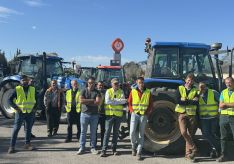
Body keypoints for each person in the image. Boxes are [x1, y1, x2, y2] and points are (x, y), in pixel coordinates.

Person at [8, 75, 37, 154]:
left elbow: (36, 99)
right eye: (23, 80)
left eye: (26, 80)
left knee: (28, 129)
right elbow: (9, 100)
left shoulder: (32, 89)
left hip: (30, 112)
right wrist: (16, 108)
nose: (25, 81)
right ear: (20, 81)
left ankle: (27, 144)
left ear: (28, 80)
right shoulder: (17, 89)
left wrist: (35, 108)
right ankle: (12, 146)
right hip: (20, 113)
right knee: (16, 129)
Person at [100, 78, 127, 157]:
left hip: (118, 116)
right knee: (107, 132)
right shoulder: (108, 91)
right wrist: (118, 101)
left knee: (115, 133)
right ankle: (104, 150)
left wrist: (114, 100)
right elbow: (107, 101)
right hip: (110, 115)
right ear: (111, 84)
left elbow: (123, 101)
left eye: (117, 83)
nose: (116, 85)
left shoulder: (121, 91)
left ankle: (114, 149)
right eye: (115, 84)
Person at [175, 73, 199, 160]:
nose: (189, 82)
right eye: (188, 80)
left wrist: (185, 100)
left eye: (191, 80)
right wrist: (190, 101)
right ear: (185, 80)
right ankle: (194, 148)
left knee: (190, 134)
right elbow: (178, 101)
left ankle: (188, 155)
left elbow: (196, 102)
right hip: (182, 114)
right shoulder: (180, 88)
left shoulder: (195, 90)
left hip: (192, 114)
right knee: (184, 132)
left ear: (193, 81)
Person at [128, 76, 152, 160]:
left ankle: (139, 152)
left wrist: (147, 112)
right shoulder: (133, 91)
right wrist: (131, 111)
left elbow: (151, 104)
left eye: (142, 82)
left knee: (141, 134)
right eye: (139, 83)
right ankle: (133, 146)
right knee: (132, 133)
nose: (141, 84)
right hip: (135, 114)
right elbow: (129, 102)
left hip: (143, 115)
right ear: (137, 83)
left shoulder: (148, 92)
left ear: (143, 83)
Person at [77, 77, 101, 155]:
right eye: (90, 82)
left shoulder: (97, 92)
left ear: (94, 83)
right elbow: (81, 101)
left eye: (93, 83)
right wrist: (92, 100)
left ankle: (93, 148)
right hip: (84, 114)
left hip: (94, 115)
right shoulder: (83, 90)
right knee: (83, 132)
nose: (91, 84)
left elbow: (97, 102)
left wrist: (86, 101)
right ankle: (82, 147)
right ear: (87, 83)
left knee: (93, 133)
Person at [198, 82, 220, 158]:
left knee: (213, 134)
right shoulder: (197, 94)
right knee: (206, 134)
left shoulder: (213, 92)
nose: (202, 88)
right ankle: (218, 147)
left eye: (203, 86)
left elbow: (220, 102)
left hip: (213, 117)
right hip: (204, 118)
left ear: (206, 86)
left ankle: (214, 150)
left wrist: (220, 113)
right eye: (200, 87)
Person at [217, 77, 234, 162]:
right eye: (227, 83)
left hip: (233, 117)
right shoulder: (223, 92)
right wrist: (229, 104)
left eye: (230, 82)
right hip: (223, 117)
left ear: (233, 82)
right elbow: (220, 105)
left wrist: (226, 104)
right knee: (223, 137)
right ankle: (224, 155)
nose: (228, 84)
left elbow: (224, 104)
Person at [96, 81, 106, 147]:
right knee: (94, 130)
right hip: (95, 114)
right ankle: (94, 144)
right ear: (97, 86)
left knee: (103, 130)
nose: (101, 86)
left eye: (102, 85)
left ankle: (103, 144)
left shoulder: (106, 93)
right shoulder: (95, 92)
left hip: (104, 114)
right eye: (99, 85)